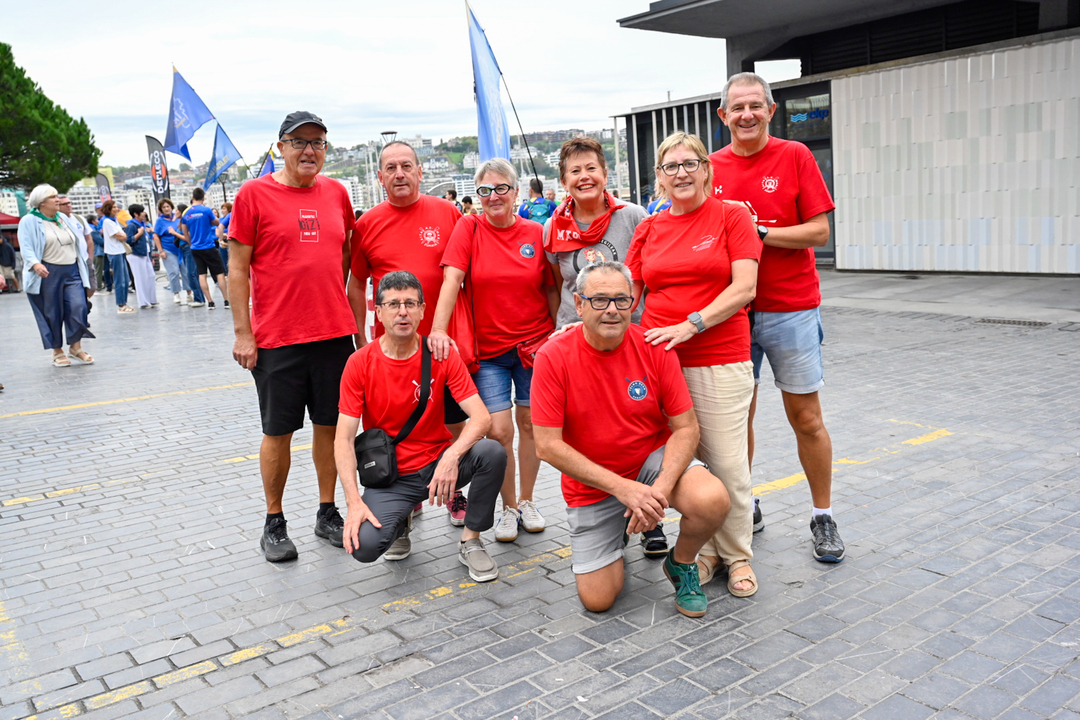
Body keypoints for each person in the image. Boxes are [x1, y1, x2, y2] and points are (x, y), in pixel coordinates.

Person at [532, 261, 729, 617]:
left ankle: (682, 562)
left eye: (621, 300)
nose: (612, 309)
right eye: (599, 300)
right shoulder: (552, 356)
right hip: (592, 486)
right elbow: (546, 446)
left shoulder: (655, 347)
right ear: (578, 304)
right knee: (598, 600)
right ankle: (620, 525)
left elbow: (687, 428)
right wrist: (624, 490)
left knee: (711, 499)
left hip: (649, 464)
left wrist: (659, 492)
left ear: (632, 303)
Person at [709, 72, 842, 562]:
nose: (746, 115)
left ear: (770, 110)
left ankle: (823, 516)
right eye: (737, 108)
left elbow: (819, 232)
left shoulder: (795, 156)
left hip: (791, 308)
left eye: (755, 106)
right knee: (735, 420)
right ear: (723, 115)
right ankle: (745, 506)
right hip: (732, 312)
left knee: (806, 418)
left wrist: (759, 232)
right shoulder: (709, 166)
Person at [627, 131, 761, 597]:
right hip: (660, 363)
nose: (681, 173)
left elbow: (745, 287)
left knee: (727, 463)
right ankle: (704, 552)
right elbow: (629, 296)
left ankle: (737, 556)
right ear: (660, 177)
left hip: (717, 358)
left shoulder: (731, 216)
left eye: (690, 164)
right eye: (671, 166)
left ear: (706, 169)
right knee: (687, 468)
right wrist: (581, 327)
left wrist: (692, 324)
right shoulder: (649, 228)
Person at [229, 110, 358, 562]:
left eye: (317, 142)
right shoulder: (253, 194)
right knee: (278, 431)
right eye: (299, 141)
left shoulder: (337, 193)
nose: (309, 150)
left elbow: (345, 253)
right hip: (277, 338)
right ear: (280, 147)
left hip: (333, 335)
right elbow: (237, 269)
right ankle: (274, 521)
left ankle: (327, 511)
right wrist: (243, 333)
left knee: (331, 427)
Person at [335, 271, 507, 580]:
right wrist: (353, 502)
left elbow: (481, 417)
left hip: (438, 464)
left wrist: (452, 456)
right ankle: (401, 521)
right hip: (392, 476)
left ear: (423, 310)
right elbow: (343, 440)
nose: (402, 312)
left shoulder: (440, 354)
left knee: (492, 452)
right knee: (364, 546)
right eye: (393, 304)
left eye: (410, 303)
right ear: (378, 311)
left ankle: (471, 541)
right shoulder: (359, 363)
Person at [542, 136, 665, 557]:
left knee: (640, 425)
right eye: (574, 171)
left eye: (591, 168)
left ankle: (650, 519)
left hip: (629, 339)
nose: (584, 177)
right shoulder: (554, 227)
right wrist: (560, 331)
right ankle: (606, 513)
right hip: (576, 345)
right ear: (563, 181)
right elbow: (556, 286)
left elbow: (650, 272)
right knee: (591, 432)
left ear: (605, 173)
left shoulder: (632, 216)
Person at [429, 158, 558, 542]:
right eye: (485, 190)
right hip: (488, 353)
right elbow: (451, 279)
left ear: (516, 192)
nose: (494, 197)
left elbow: (551, 287)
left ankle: (528, 500)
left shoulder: (535, 231)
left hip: (535, 346)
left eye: (502, 188)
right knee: (499, 431)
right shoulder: (468, 228)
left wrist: (559, 335)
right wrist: (438, 330)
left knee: (531, 426)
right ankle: (509, 507)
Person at [347, 140, 471, 526]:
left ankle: (452, 489)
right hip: (393, 350)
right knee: (396, 426)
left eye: (406, 166)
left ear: (420, 171)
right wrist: (361, 339)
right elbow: (356, 284)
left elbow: (464, 276)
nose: (399, 174)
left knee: (453, 421)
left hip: (442, 346)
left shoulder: (447, 213)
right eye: (391, 168)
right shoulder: (366, 224)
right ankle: (404, 494)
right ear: (380, 176)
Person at [17, 184, 96, 366]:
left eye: (57, 196)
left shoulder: (62, 218)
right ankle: (57, 351)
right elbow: (26, 247)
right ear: (42, 202)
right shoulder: (29, 221)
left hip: (72, 270)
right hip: (48, 273)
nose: (57, 199)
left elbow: (77, 243)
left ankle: (75, 347)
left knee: (79, 306)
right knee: (52, 313)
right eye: (53, 197)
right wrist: (35, 264)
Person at [183, 187, 229, 310]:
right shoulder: (206, 210)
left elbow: (185, 232)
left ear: (193, 197)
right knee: (219, 273)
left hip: (195, 248)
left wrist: (191, 243)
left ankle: (210, 302)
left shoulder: (186, 213)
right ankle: (226, 300)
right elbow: (217, 223)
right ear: (203, 198)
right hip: (209, 246)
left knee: (201, 274)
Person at [101, 200, 135, 313]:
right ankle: (121, 304)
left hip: (120, 251)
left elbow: (123, 235)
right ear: (108, 209)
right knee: (120, 279)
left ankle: (124, 302)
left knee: (125, 278)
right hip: (114, 252)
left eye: (116, 207)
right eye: (113, 207)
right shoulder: (107, 222)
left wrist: (123, 235)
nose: (116, 209)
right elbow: (120, 236)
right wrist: (123, 235)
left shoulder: (114, 221)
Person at [124, 204, 161, 309]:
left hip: (145, 254)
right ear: (136, 214)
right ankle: (143, 302)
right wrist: (139, 234)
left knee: (150, 276)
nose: (144, 213)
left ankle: (151, 299)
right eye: (142, 212)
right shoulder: (132, 226)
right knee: (141, 278)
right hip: (136, 254)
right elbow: (128, 240)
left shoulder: (142, 224)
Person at [57, 196, 96, 293]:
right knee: (77, 288)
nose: (68, 205)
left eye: (69, 203)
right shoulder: (57, 221)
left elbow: (89, 239)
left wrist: (90, 258)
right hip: (71, 261)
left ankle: (86, 300)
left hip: (85, 259)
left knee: (92, 286)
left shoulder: (79, 218)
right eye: (64, 204)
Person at [154, 198, 188, 304]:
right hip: (168, 249)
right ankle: (176, 293)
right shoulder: (160, 221)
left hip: (181, 248)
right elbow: (156, 236)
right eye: (163, 207)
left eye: (168, 206)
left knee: (186, 271)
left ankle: (189, 292)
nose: (166, 209)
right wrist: (161, 251)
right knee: (173, 272)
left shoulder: (178, 217)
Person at [176, 202, 204, 306]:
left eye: (177, 210)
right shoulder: (180, 222)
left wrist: (175, 233)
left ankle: (199, 298)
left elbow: (188, 237)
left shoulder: (186, 221)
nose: (175, 212)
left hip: (188, 248)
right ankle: (199, 297)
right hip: (183, 249)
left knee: (191, 273)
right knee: (192, 273)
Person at [88, 211, 110, 293]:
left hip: (97, 252)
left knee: (99, 270)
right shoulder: (93, 230)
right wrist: (103, 235)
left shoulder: (91, 229)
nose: (98, 221)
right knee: (98, 270)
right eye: (96, 220)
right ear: (93, 221)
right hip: (98, 252)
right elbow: (101, 241)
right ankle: (98, 287)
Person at [217, 202, 232, 275]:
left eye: (224, 209)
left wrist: (223, 236)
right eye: (222, 209)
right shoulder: (220, 219)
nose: (222, 211)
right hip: (226, 243)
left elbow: (220, 227)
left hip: (230, 242)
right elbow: (217, 231)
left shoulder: (231, 215)